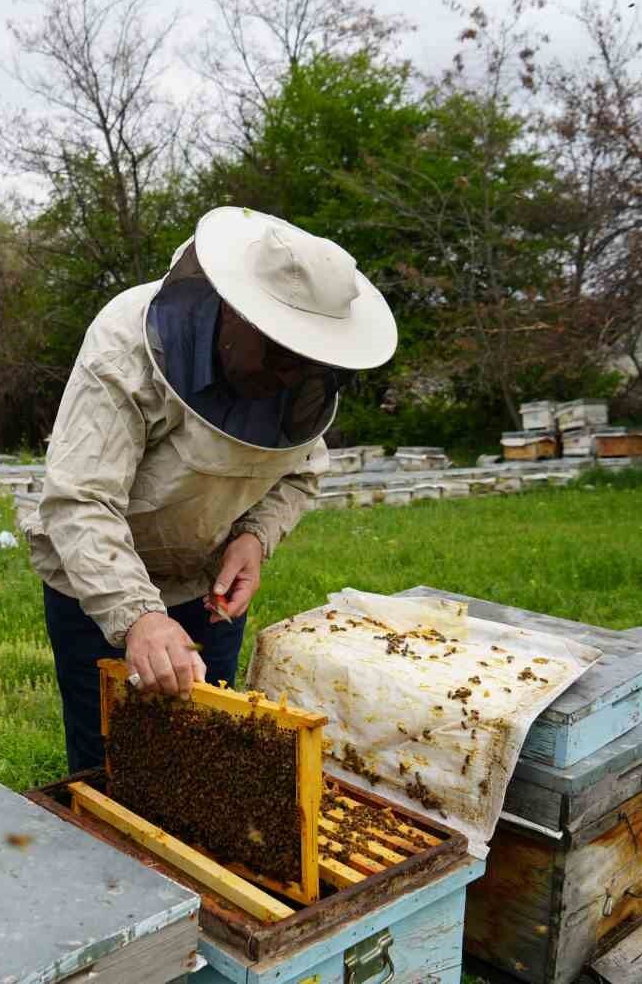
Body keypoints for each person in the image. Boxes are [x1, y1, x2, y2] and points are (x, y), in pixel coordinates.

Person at [26, 207, 398, 773]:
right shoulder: (126, 344)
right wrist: (139, 617)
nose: (288, 377)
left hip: (207, 591)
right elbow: (80, 498)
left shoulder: (298, 381)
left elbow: (302, 469)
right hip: (98, 587)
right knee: (112, 768)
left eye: (310, 363)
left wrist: (253, 538)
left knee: (205, 762)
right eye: (279, 355)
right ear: (233, 312)